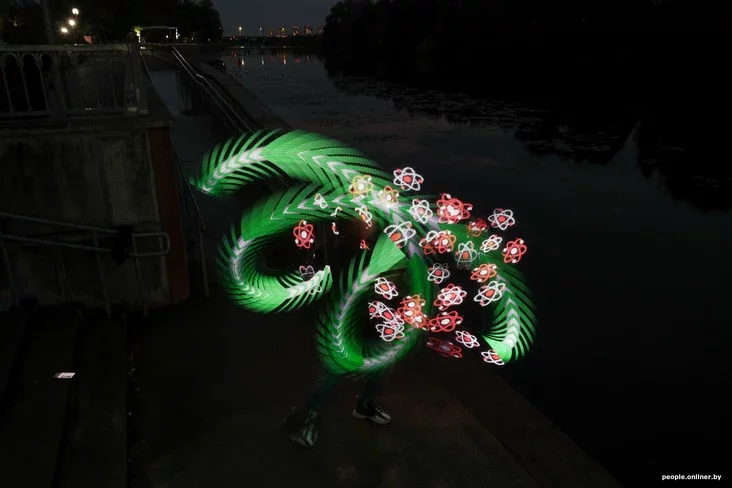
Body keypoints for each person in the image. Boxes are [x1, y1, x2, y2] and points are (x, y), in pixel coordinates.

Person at [284, 218, 392, 448]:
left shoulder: (374, 247)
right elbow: (315, 288)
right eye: (364, 222)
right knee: (333, 372)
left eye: (370, 221)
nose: (369, 224)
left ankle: (365, 405)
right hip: (342, 325)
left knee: (381, 362)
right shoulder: (335, 254)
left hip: (371, 320)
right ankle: (303, 418)